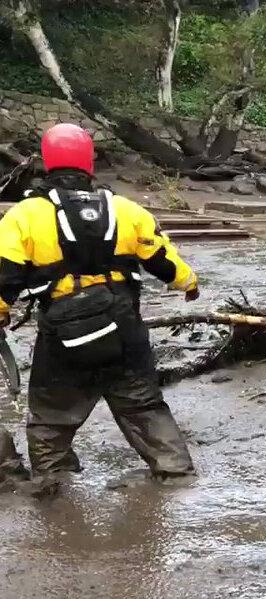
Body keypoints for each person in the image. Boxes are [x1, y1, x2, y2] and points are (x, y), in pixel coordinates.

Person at [0, 123, 199, 480]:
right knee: (143, 403)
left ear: (47, 162)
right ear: (88, 163)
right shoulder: (126, 209)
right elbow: (163, 258)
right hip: (123, 324)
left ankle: (54, 484)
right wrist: (189, 284)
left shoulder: (23, 215)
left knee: (51, 416)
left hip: (63, 329)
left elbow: (5, 276)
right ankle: (176, 474)